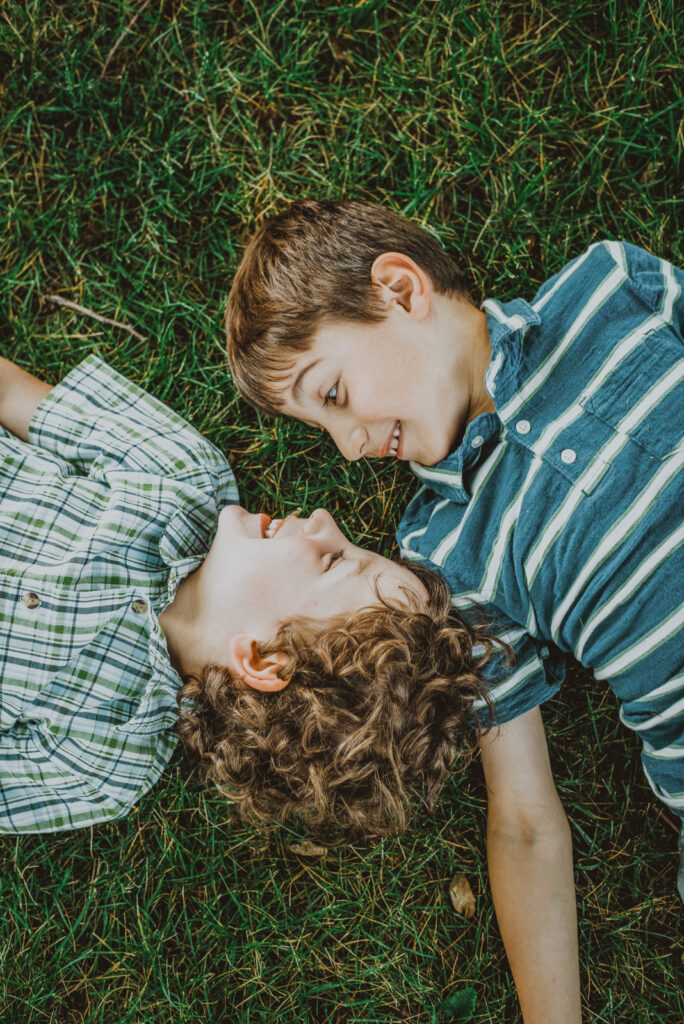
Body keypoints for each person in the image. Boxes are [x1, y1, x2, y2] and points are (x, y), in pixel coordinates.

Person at [225, 199, 684, 1024]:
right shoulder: (444, 553)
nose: (350, 447)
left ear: (401, 290)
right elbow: (524, 816)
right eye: (320, 426)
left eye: (333, 394)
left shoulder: (608, 288)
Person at [0, 351, 504, 838]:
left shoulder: (105, 763)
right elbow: (16, 396)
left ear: (266, 660)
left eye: (332, 559)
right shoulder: (185, 475)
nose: (325, 521)